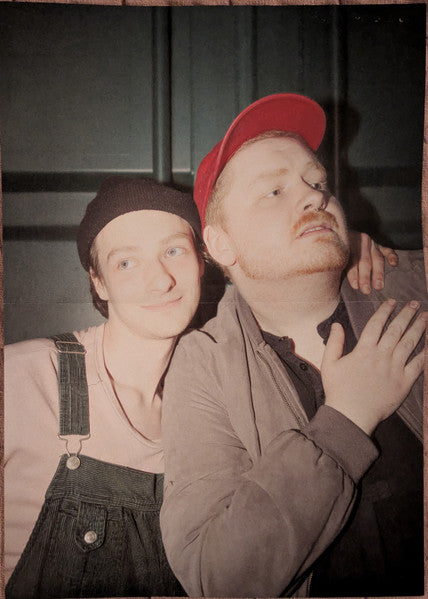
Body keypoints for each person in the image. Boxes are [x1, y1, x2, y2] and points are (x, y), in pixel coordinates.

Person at [160, 93, 426, 597]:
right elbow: (216, 579)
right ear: (220, 244)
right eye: (274, 191)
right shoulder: (204, 365)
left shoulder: (416, 287)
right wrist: (346, 420)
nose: (315, 197)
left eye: (317, 182)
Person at [4, 176, 204, 598]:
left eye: (174, 251)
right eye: (127, 262)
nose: (161, 280)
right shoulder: (23, 377)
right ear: (98, 282)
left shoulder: (209, 403)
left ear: (201, 261)